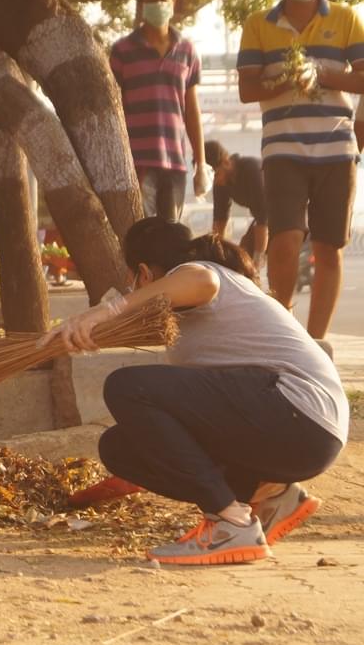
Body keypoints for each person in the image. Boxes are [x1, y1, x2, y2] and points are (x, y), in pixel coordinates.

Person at [44, 217, 347, 565]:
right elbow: (182, 429)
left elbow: (202, 280)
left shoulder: (199, 271)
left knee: (126, 386)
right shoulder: (192, 320)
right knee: (120, 448)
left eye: (132, 281)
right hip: (299, 432)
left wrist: (107, 310)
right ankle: (273, 496)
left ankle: (231, 524)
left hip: (299, 414)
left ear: (143, 273)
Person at [236, 0, 364, 338]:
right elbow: (247, 89)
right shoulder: (259, 24)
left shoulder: (345, 18)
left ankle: (316, 340)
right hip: (282, 150)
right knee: (285, 240)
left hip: (337, 149)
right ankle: (283, 331)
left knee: (329, 248)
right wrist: (286, 80)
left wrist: (324, 75)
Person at [108, 0, 207, 221]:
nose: (159, 4)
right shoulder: (122, 52)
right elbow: (111, 107)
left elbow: (191, 109)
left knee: (172, 237)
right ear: (141, 4)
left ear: (173, 3)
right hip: (136, 161)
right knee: (141, 230)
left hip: (175, 162)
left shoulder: (187, 50)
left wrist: (201, 163)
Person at [204, 140, 268, 261]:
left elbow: (263, 220)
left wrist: (257, 260)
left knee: (256, 260)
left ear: (226, 162)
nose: (215, 182)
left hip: (284, 211)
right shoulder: (221, 182)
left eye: (216, 175)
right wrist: (217, 256)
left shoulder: (252, 169)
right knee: (242, 258)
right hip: (264, 220)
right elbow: (220, 221)